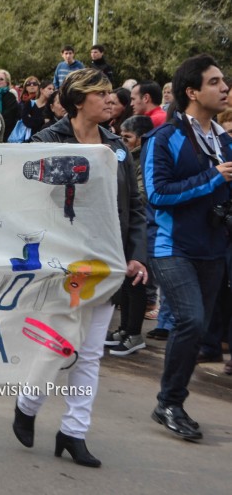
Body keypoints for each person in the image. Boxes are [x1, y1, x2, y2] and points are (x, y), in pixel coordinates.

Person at [12, 68, 147, 467]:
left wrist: (136, 254)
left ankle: (74, 431)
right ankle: (27, 404)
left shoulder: (116, 146)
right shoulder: (46, 142)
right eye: (100, 93)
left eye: (110, 93)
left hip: (107, 263)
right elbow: (26, 201)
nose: (110, 99)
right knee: (58, 343)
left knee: (89, 354)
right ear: (77, 100)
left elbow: (134, 206)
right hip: (61, 262)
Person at [142, 54, 231, 441]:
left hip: (213, 247)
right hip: (171, 247)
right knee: (191, 320)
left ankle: (171, 402)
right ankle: (170, 403)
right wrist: (213, 178)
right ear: (192, 92)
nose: (225, 88)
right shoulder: (164, 137)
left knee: (198, 329)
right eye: (215, 82)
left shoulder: (225, 140)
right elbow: (157, 194)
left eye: (223, 81)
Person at [105, 114, 155, 356]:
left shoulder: (141, 159)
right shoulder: (123, 156)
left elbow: (140, 194)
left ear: (141, 139)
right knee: (125, 281)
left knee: (135, 282)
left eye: (128, 137)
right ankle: (124, 328)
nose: (123, 142)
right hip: (121, 225)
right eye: (121, 137)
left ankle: (134, 332)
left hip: (138, 226)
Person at [0, 69, 20, 135]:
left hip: (5, 131)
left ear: (7, 83)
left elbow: (9, 117)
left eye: (1, 79)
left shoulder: (10, 96)